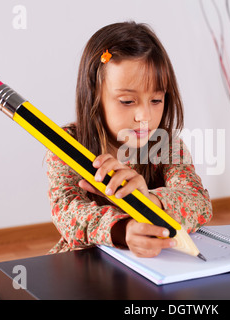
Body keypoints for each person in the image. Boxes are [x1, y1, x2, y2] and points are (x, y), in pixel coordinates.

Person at [46, 21, 212, 258]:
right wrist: (125, 229)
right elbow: (67, 213)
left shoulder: (167, 145)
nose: (144, 116)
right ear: (94, 95)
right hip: (86, 264)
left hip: (155, 264)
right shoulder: (67, 144)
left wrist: (149, 201)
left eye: (156, 100)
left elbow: (199, 202)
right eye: (127, 101)